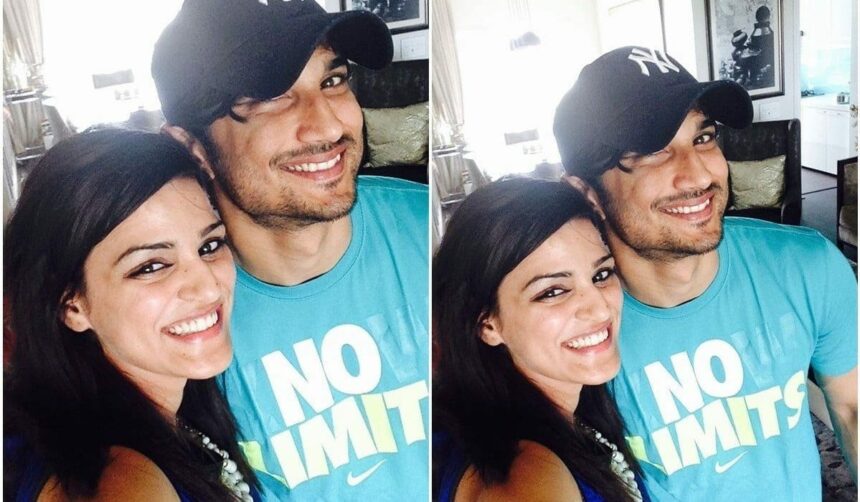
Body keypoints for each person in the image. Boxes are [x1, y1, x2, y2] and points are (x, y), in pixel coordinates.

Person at [150, 0, 429, 499]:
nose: (328, 127)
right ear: (193, 148)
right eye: (272, 97)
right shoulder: (176, 319)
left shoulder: (429, 232)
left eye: (332, 81)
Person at [553, 46, 857, 500]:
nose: (697, 176)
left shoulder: (806, 266)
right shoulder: (576, 331)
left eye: (703, 137)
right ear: (587, 193)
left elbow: (852, 409)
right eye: (653, 151)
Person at [4, 128, 260, 501]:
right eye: (152, 266)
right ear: (72, 305)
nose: (209, 288)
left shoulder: (177, 409)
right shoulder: (119, 480)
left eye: (210, 245)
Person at [433, 177, 648, 502]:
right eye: (553, 292)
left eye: (601, 274)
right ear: (487, 324)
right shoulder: (525, 474)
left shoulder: (575, 414)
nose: (600, 308)